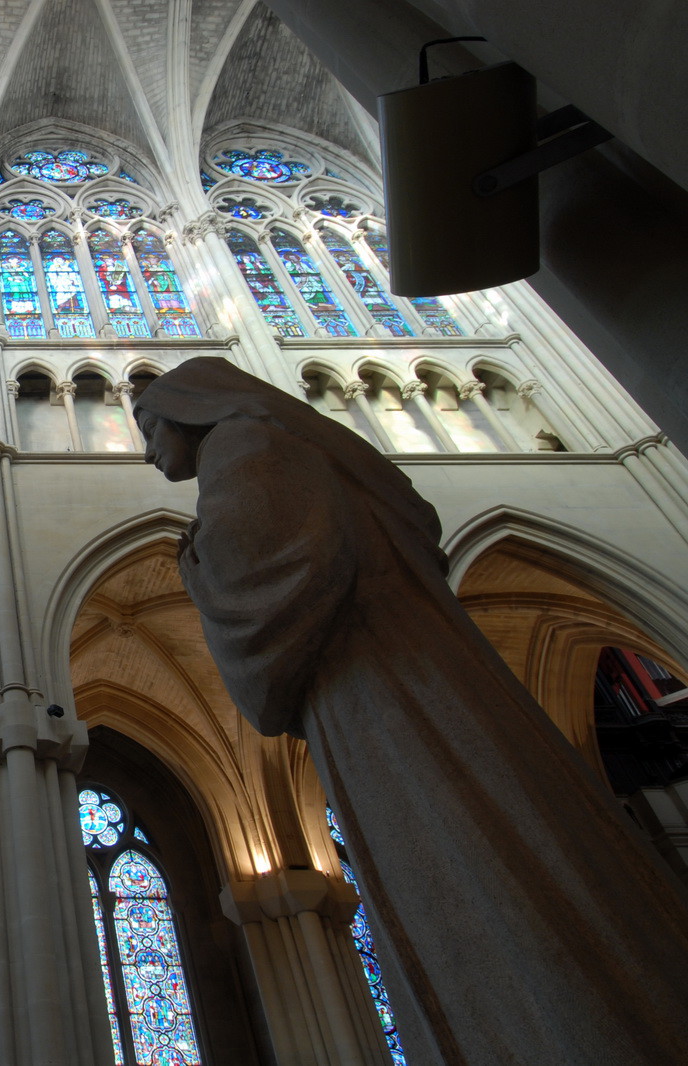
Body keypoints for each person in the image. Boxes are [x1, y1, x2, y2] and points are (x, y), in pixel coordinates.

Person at [134, 356, 688, 1065]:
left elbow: (264, 576)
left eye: (151, 429)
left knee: (465, 849)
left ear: (192, 408)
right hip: (400, 673)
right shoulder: (277, 444)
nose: (147, 450)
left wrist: (195, 567)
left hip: (380, 686)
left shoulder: (249, 446)